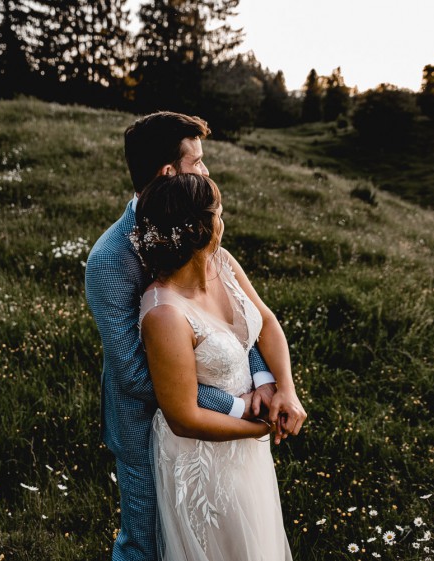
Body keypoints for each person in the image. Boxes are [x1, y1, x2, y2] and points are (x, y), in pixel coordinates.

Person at [84, 112, 306, 560]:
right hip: (149, 425)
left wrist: (265, 381)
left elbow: (237, 320)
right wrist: (239, 406)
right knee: (148, 543)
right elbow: (134, 374)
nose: (205, 172)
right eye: (198, 162)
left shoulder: (199, 226)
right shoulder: (110, 260)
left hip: (230, 417)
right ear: (169, 172)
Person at [133, 173, 299, 560]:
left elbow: (265, 323)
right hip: (202, 459)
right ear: (201, 228)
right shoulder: (164, 314)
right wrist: (261, 424)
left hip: (246, 447)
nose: (224, 222)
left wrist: (282, 388)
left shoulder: (222, 262)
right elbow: (184, 416)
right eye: (219, 213)